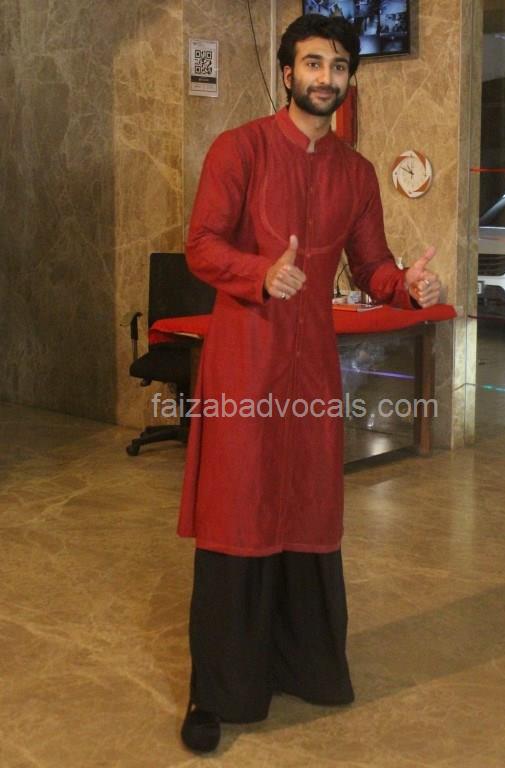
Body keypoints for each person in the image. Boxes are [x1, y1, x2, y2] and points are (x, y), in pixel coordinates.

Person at [178, 13, 442, 754]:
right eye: (314, 63)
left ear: (349, 78)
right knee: (239, 510)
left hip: (314, 371)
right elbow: (201, 245)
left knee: (307, 506)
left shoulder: (356, 173)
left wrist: (407, 285)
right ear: (288, 72)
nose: (327, 77)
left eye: (339, 66)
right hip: (245, 362)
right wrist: (259, 273)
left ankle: (305, 666)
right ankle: (216, 690)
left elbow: (372, 265)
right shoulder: (240, 149)